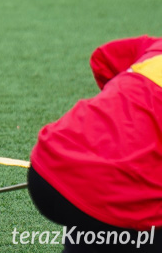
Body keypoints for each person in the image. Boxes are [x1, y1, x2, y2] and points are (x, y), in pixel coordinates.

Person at [28, 36, 162, 252]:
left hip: (49, 165)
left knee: (94, 224)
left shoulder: (156, 46)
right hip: (113, 190)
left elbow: (104, 59)